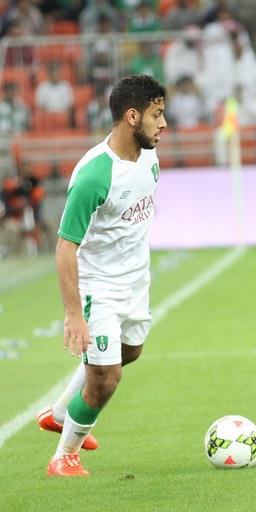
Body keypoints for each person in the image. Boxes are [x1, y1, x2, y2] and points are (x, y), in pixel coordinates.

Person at [36, 75, 167, 477]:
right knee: (105, 379)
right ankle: (64, 456)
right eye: (156, 115)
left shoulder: (149, 156)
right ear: (132, 116)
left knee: (130, 353)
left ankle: (60, 413)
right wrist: (75, 314)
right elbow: (65, 247)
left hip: (135, 283)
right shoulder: (95, 175)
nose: (163, 124)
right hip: (99, 289)